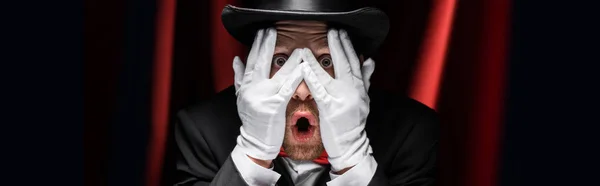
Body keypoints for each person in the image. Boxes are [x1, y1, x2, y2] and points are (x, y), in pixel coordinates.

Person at [174, 0, 439, 185]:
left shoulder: (410, 132)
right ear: (249, 73)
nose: (301, 90)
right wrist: (253, 154)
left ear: (359, 74)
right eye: (280, 61)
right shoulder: (201, 128)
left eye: (325, 62)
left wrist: (352, 160)